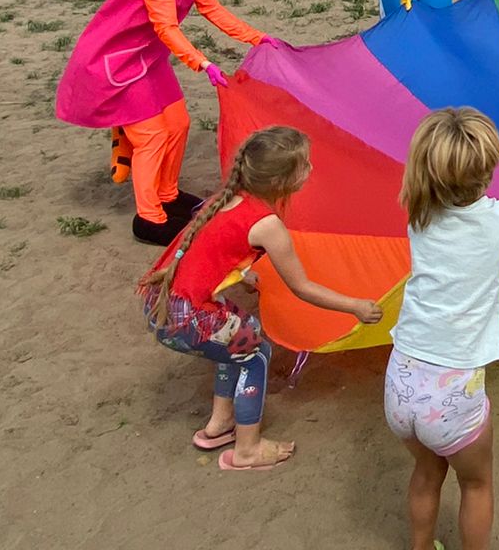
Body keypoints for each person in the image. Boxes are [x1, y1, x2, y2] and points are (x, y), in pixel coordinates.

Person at [137, 125, 383, 470]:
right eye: (305, 166)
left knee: (237, 335)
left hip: (160, 302)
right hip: (182, 317)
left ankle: (219, 424)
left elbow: (211, 251)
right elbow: (303, 287)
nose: (311, 170)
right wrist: (354, 306)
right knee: (255, 352)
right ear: (282, 181)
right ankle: (247, 450)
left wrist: (244, 274)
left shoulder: (225, 199)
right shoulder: (267, 225)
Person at [384, 108, 499, 550]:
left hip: (401, 383)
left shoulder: (419, 210)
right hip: (452, 395)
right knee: (476, 484)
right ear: (489, 170)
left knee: (427, 472)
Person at [56, 0, 282, 245]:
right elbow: (165, 26)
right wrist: (203, 64)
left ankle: (167, 193)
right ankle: (149, 217)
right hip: (114, 64)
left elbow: (212, 10)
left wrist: (257, 37)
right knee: (151, 136)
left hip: (146, 59)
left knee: (177, 122)